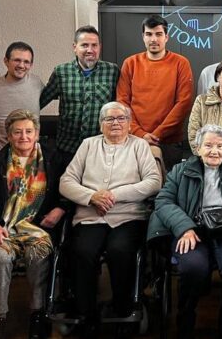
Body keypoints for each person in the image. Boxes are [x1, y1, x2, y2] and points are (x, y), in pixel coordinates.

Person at [148, 124, 222, 337]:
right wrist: (184, 227)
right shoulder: (181, 170)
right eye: (209, 145)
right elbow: (163, 201)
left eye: (220, 146)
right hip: (193, 229)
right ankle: (185, 322)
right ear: (197, 147)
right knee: (193, 268)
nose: (214, 151)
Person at [59, 102, 161, 335]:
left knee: (120, 250)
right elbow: (66, 181)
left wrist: (115, 195)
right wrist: (91, 196)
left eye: (121, 118)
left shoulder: (140, 146)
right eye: (109, 119)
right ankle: (85, 313)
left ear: (129, 123)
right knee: (83, 251)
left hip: (128, 215)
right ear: (101, 124)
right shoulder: (88, 145)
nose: (115, 123)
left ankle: (122, 309)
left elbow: (154, 182)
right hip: (90, 215)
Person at [0, 110, 66, 339]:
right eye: (17, 132)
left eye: (29, 131)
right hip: (3, 228)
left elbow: (68, 190)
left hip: (39, 228)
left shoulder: (54, 159)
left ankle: (38, 314)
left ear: (37, 134)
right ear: (8, 136)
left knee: (38, 254)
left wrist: (61, 208)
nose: (24, 137)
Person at [117, 14, 194, 171]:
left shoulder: (181, 63)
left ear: (166, 37)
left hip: (170, 142)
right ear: (143, 37)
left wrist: (157, 134)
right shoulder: (130, 63)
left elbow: (184, 103)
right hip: (135, 139)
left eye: (158, 34)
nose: (153, 39)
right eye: (149, 34)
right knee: (135, 188)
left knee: (170, 189)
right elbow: (122, 101)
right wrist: (140, 133)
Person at [40, 26, 119, 174]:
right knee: (64, 192)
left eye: (94, 45)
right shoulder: (61, 72)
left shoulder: (112, 71)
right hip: (67, 150)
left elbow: (121, 106)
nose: (90, 50)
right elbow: (38, 102)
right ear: (74, 47)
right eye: (84, 45)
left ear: (100, 47)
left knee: (96, 194)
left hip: (101, 149)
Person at [0, 41, 44, 150]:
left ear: (31, 65)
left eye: (26, 62)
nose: (21, 65)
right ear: (6, 61)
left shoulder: (37, 83)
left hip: (30, 153)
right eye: (17, 60)